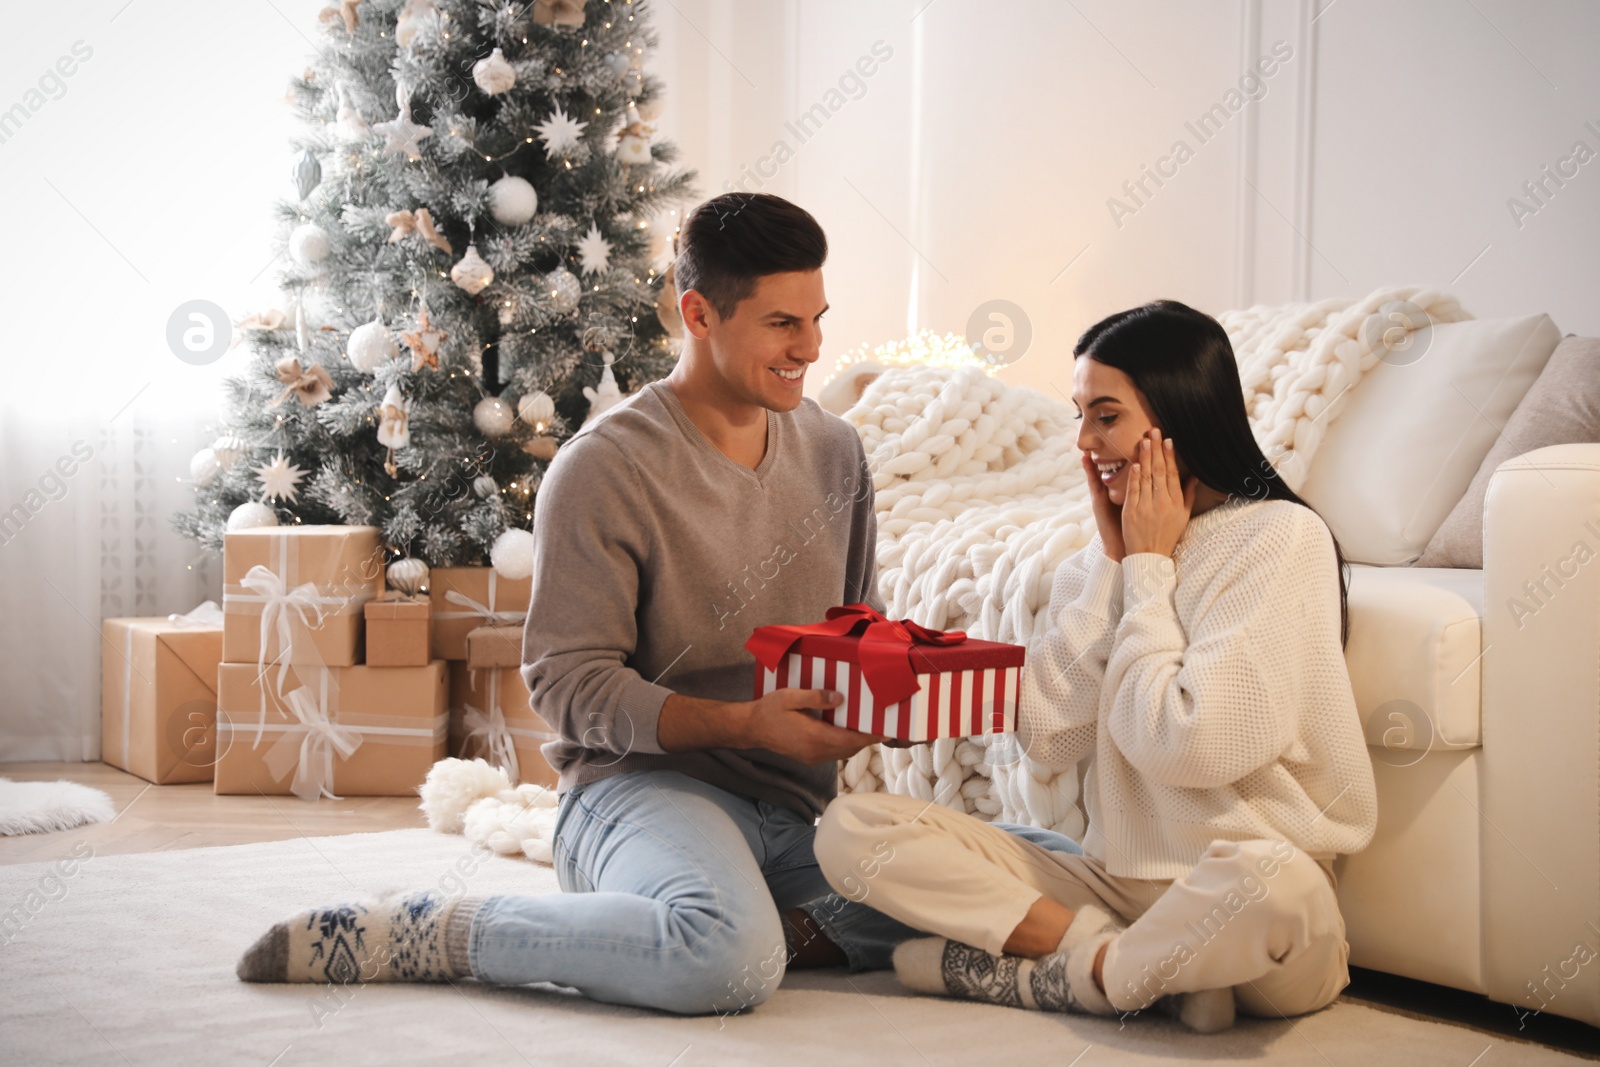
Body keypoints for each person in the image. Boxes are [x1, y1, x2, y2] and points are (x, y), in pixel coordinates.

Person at [234, 193, 1070, 1015]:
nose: (810, 347)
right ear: (698, 312)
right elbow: (567, 685)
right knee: (727, 964)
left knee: (1052, 866)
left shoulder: (834, 450)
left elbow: (858, 629)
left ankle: (767, 927)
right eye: (783, 323)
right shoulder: (605, 468)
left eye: (817, 317)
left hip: (798, 813)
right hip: (640, 793)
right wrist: (745, 724)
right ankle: (444, 930)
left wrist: (912, 687)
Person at [814, 300, 1378, 1033]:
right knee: (851, 829)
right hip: (1110, 889)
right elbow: (1048, 735)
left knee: (1276, 883)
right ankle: (1123, 963)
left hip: (1241, 897)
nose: (1083, 441)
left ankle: (1070, 979)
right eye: (1079, 414)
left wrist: (1148, 569)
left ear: (1177, 414)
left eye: (1105, 415)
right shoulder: (1101, 561)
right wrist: (1116, 565)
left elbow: (1190, 743)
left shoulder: (1278, 538)